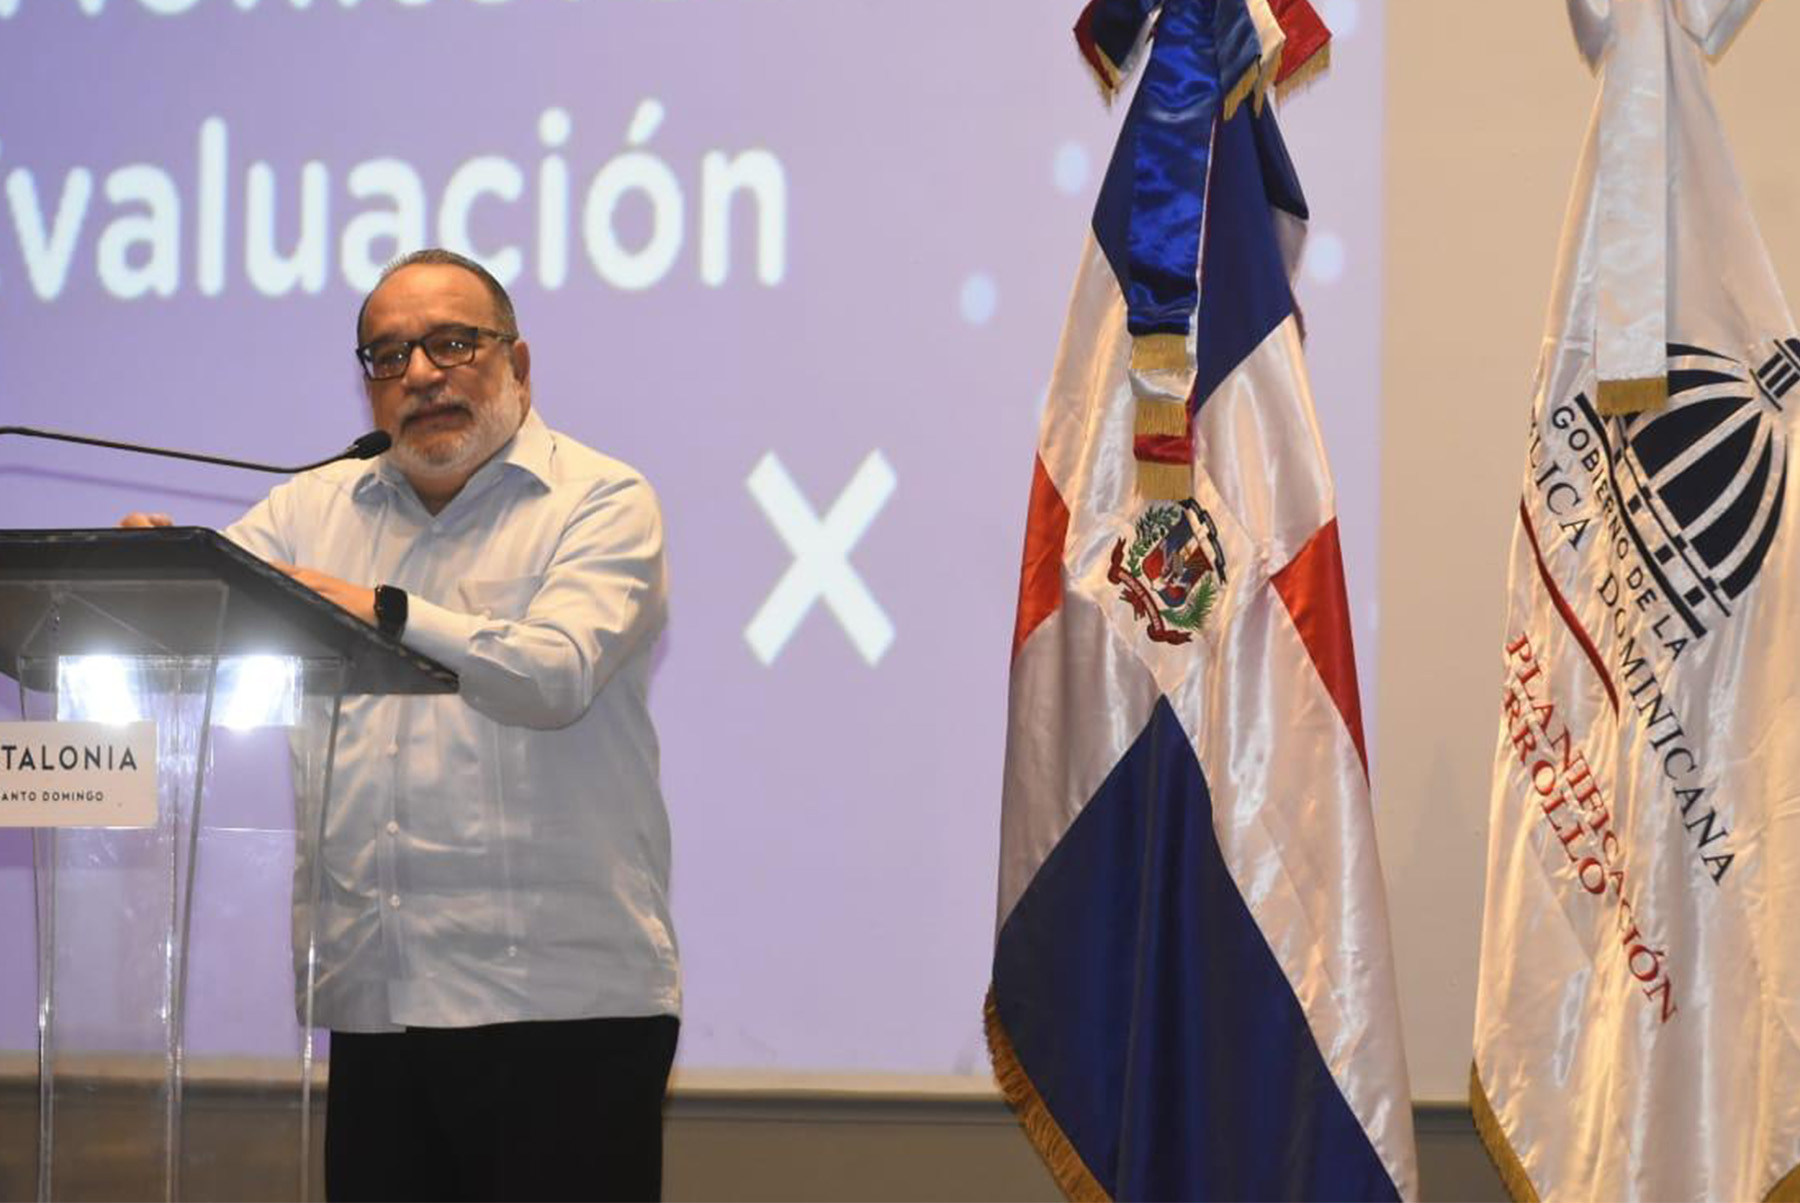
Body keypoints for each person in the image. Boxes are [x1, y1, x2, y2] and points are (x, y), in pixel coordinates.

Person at [123, 247, 680, 1201]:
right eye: (387, 356)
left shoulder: (601, 500)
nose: (420, 375)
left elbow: (555, 672)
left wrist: (381, 607)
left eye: (451, 344)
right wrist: (153, 582)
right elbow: (203, 614)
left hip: (561, 1008)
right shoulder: (312, 505)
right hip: (378, 1000)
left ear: (519, 362)